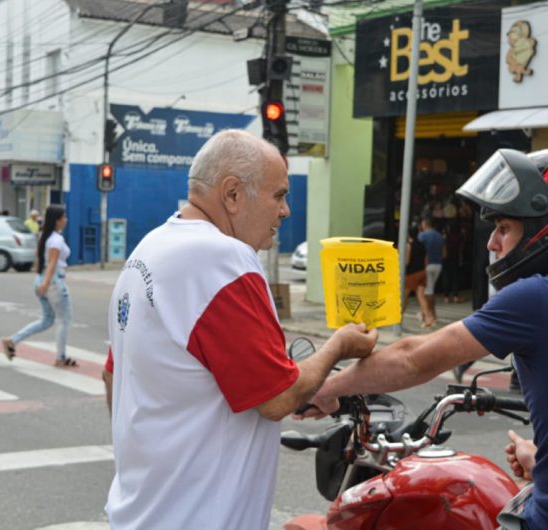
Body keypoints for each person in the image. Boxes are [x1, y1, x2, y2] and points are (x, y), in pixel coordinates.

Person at [303, 149, 548, 530]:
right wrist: (545, 461)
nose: (491, 244)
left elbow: (413, 357)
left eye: (503, 228)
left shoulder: (538, 297)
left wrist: (326, 386)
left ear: (546, 227)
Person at [104, 130, 377, 529]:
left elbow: (115, 373)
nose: (285, 211)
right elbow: (276, 398)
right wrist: (339, 346)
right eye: (278, 195)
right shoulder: (222, 259)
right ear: (232, 194)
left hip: (140, 510)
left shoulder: (148, 250)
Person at [1, 204, 76, 367]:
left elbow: (38, 258)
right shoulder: (57, 239)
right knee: (64, 320)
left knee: (47, 320)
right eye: (64, 217)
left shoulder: (44, 236)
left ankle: (12, 341)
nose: (66, 220)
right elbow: (53, 263)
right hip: (53, 282)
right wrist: (46, 283)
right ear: (57, 221)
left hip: (41, 279)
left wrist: (41, 282)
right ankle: (61, 358)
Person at [417, 217, 444, 328]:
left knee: (425, 292)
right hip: (438, 265)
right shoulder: (439, 236)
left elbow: (421, 252)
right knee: (430, 290)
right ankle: (430, 314)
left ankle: (429, 317)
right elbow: (444, 253)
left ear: (424, 223)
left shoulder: (422, 236)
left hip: (427, 265)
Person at [403, 222, 430, 324]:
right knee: (421, 296)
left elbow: (407, 261)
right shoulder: (423, 245)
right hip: (423, 272)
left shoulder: (409, 245)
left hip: (412, 274)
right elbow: (426, 260)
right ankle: (428, 319)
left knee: (404, 296)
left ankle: (398, 316)